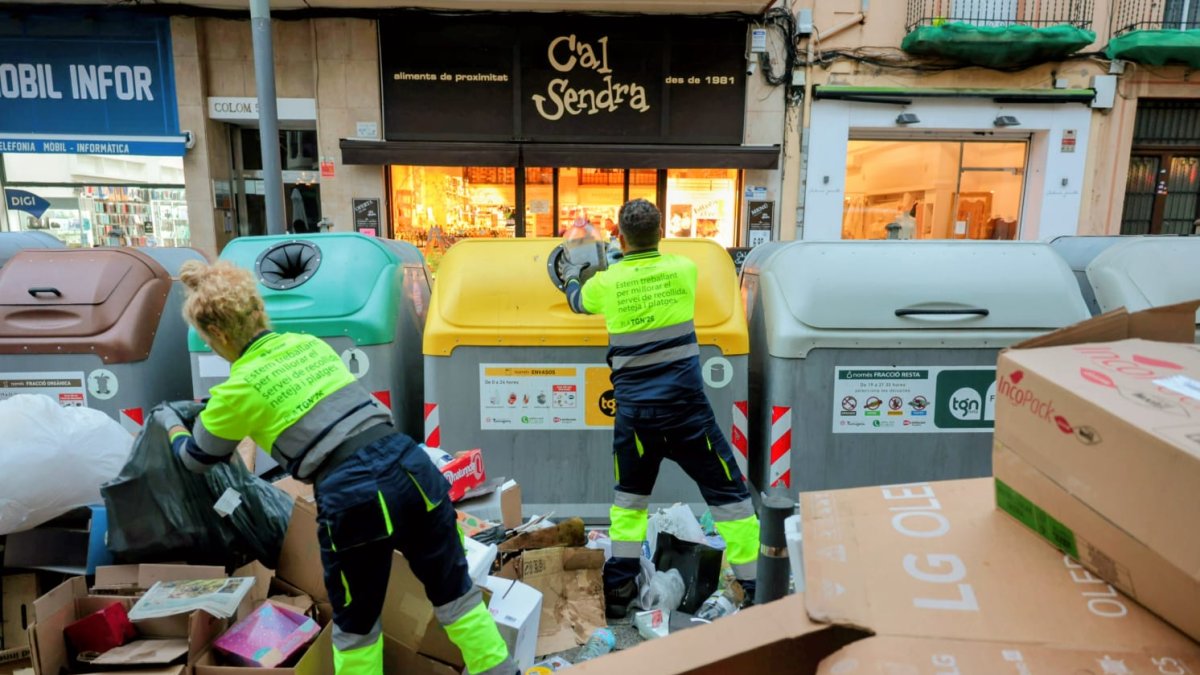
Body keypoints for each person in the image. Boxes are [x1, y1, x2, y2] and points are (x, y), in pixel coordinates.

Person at [164, 260, 513, 675]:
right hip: (409, 465)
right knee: (456, 596)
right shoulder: (307, 345)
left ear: (216, 334)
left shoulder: (235, 391)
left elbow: (196, 459)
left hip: (353, 494)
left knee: (357, 627)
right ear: (258, 310)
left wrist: (171, 422)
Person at [561, 198, 761, 617]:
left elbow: (578, 300)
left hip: (636, 418)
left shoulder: (608, 283)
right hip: (688, 412)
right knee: (729, 498)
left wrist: (574, 274)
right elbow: (654, 272)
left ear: (619, 235)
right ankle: (755, 582)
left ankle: (618, 592)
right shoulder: (684, 269)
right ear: (661, 232)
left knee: (629, 505)